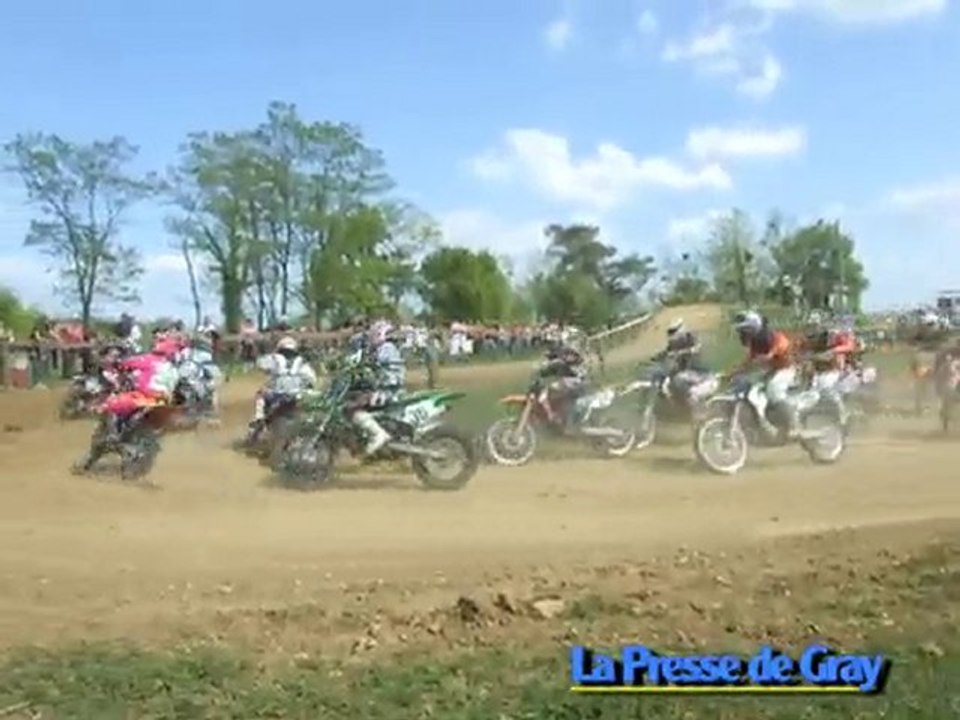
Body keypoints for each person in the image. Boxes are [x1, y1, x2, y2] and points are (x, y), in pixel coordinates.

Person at [75, 337, 182, 471]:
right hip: (164, 402)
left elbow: (126, 364)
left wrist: (117, 363)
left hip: (144, 398)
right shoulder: (174, 369)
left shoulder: (149, 360)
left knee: (111, 404)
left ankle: (113, 435)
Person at [728, 310, 799, 437]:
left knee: (774, 391)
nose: (743, 333)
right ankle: (765, 421)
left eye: (745, 330)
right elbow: (749, 360)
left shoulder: (773, 337)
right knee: (750, 386)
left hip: (787, 369)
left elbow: (775, 351)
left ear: (753, 327)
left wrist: (763, 359)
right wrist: (734, 372)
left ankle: (793, 424)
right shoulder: (756, 342)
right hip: (771, 370)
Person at [244, 336, 318, 443]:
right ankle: (311, 426)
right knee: (312, 406)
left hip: (277, 394)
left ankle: (258, 418)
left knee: (260, 394)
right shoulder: (302, 361)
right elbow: (312, 379)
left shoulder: (274, 358)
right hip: (298, 394)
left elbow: (260, 364)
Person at [348, 320, 406, 455]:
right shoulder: (380, 349)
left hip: (389, 392)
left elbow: (390, 375)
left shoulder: (387, 349)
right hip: (385, 390)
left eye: (374, 333)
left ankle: (378, 435)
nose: (371, 336)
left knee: (353, 407)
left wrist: (368, 375)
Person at [535, 329, 592, 430]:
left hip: (579, 384)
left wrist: (553, 363)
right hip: (574, 384)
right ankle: (557, 419)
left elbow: (569, 363)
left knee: (556, 388)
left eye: (551, 344)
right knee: (556, 393)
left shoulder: (575, 354)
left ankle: (566, 423)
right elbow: (553, 368)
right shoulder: (563, 357)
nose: (549, 347)